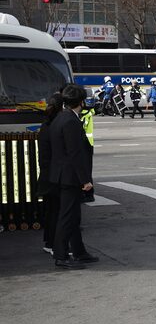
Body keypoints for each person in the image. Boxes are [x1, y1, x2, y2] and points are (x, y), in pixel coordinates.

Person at [49, 84, 99, 269]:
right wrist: (85, 180)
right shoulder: (71, 121)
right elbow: (75, 154)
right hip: (69, 176)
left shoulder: (61, 118)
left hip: (62, 174)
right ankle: (61, 255)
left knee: (74, 216)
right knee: (67, 216)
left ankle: (79, 252)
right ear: (81, 102)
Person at [36, 93, 63, 256]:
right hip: (54, 176)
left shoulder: (46, 124)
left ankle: (49, 242)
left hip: (48, 175)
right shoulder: (54, 126)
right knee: (56, 211)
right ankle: (53, 244)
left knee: (51, 211)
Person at [78, 94, 96, 203]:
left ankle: (88, 194)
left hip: (84, 143)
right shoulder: (88, 113)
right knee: (87, 169)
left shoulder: (83, 114)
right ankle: (88, 194)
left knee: (83, 170)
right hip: (89, 143)